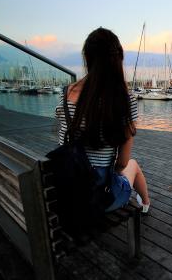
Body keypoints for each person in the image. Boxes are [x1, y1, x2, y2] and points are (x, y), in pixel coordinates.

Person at [55, 28, 150, 213]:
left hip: (65, 190)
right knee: (132, 164)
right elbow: (121, 163)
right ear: (117, 59)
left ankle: (145, 202)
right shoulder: (124, 99)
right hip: (97, 199)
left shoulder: (65, 93)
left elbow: (62, 141)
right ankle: (145, 203)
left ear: (87, 58)